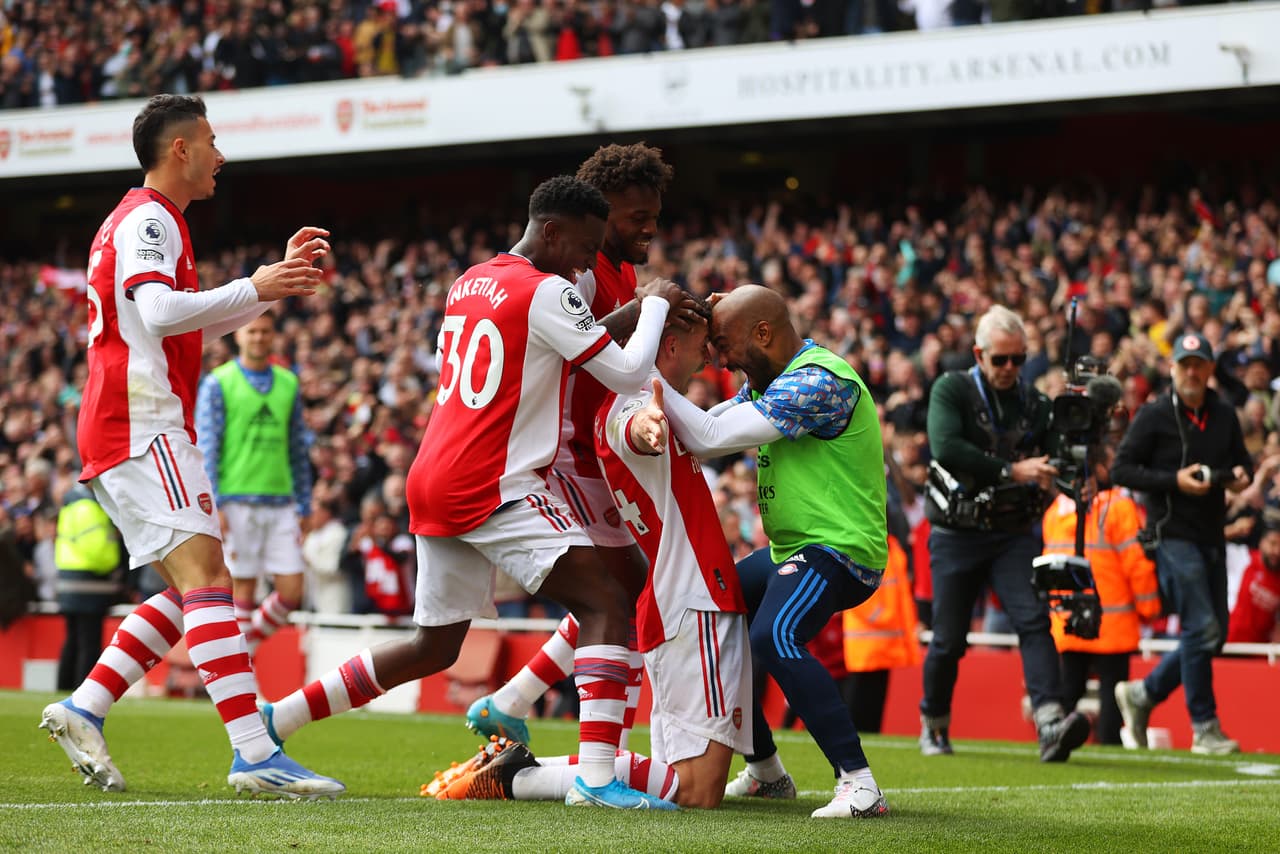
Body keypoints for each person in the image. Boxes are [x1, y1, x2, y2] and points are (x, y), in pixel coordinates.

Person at [261, 175, 688, 809]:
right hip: (492, 481)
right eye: (581, 247)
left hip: (434, 475)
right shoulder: (547, 290)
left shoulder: (472, 280)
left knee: (434, 646)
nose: (583, 264)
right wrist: (653, 304)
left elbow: (546, 345)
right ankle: (597, 782)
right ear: (550, 232)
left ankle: (279, 719)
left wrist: (619, 314)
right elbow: (624, 369)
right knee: (606, 602)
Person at [38, 94, 344, 798]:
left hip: (125, 418)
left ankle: (85, 707)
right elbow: (160, 309)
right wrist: (255, 284)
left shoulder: (141, 220)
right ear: (180, 149)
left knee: (187, 589)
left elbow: (180, 325)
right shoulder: (151, 218)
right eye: (211, 140)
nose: (221, 153)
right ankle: (253, 752)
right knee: (211, 580)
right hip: (140, 418)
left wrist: (270, 289)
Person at [433, 315, 750, 808]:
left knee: (682, 779)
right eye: (700, 342)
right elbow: (638, 425)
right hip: (695, 599)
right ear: (668, 342)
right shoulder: (638, 401)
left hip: (675, 602)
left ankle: (514, 768)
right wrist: (648, 427)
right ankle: (519, 780)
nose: (709, 354)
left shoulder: (628, 401)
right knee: (698, 791)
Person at [464, 142, 697, 748]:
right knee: (622, 593)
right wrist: (647, 311)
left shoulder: (612, 270)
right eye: (637, 218)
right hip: (565, 449)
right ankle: (606, 754)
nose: (650, 228)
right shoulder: (582, 272)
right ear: (601, 212)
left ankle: (516, 705)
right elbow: (589, 351)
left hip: (593, 449)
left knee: (623, 589)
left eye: (655, 216)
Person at [658, 284, 891, 819]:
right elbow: (703, 427)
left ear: (763, 333)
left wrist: (645, 379)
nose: (718, 356)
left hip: (842, 551)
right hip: (797, 549)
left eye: (724, 342)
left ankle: (860, 784)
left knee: (772, 633)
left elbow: (710, 434)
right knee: (711, 615)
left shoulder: (816, 382)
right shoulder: (768, 381)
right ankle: (765, 771)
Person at [919, 305, 1091, 762]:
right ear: (979, 354)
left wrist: (1077, 459)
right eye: (1000, 360)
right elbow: (947, 447)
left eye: (1018, 359)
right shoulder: (951, 388)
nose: (1010, 369)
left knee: (1034, 620)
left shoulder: (1035, 402)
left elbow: (1060, 454)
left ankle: (1050, 720)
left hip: (1012, 532)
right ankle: (933, 721)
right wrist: (1012, 469)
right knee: (949, 639)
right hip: (956, 532)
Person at [1113, 332, 1252, 755]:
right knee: (1202, 627)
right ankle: (1204, 727)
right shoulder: (1155, 415)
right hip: (1169, 533)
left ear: (1210, 370)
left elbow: (1241, 461)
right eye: (1185, 364)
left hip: (1210, 531)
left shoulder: (1224, 414)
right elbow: (1122, 469)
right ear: (1172, 369)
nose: (1192, 371)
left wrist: (1241, 475)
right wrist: (1172, 480)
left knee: (1214, 634)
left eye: (1199, 364)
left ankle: (1143, 694)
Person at [196, 312, 311, 657]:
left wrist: (304, 503)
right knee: (242, 585)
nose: (259, 337)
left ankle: (237, 656)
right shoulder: (219, 382)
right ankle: (242, 676)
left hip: (281, 501)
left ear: (273, 336)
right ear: (238, 336)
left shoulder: (289, 382)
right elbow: (207, 446)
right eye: (252, 331)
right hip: (235, 499)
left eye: (265, 331)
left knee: (292, 591)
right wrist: (212, 501)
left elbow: (297, 448)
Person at [1041, 442, 1160, 745]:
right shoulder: (1118, 508)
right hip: (1112, 624)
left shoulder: (1056, 511)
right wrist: (1150, 607)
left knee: (1069, 690)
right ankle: (1107, 747)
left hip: (1068, 621)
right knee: (1112, 697)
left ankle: (1054, 740)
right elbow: (1137, 563)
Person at [840, 531, 921, 735]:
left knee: (874, 702)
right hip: (867, 638)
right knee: (858, 700)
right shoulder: (867, 544)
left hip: (885, 639)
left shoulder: (892, 547)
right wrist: (882, 617)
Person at [54, 485, 125, 691]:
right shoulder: (89, 507)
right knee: (89, 643)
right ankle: (83, 691)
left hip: (68, 580)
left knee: (72, 640)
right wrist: (114, 565)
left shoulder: (70, 506)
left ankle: (63, 688)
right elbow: (97, 551)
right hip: (90, 583)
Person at [1227, 522, 1280, 643]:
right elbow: (1212, 543)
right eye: (1273, 543)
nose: (1277, 551)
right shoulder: (1243, 557)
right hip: (1229, 645)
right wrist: (1234, 529)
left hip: (1259, 651)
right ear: (1261, 543)